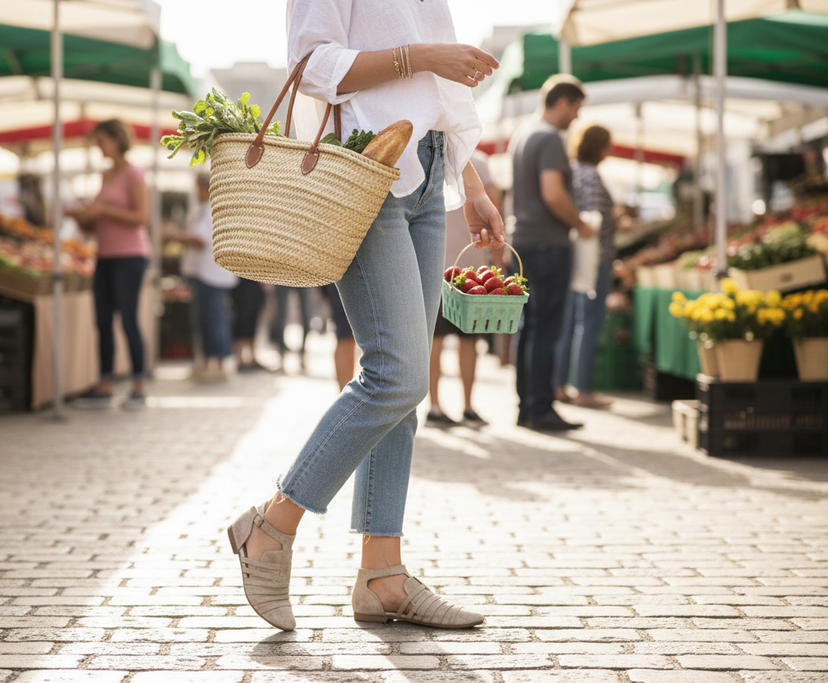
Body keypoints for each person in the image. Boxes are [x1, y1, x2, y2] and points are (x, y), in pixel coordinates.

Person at [227, 0, 505, 632]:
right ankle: (270, 526)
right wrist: (423, 55)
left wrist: (475, 186)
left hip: (430, 173)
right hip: (361, 170)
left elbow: (442, 96)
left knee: (407, 389)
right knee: (397, 375)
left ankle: (383, 575)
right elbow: (312, 65)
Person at [509, 74, 591, 431]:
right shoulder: (550, 139)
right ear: (562, 102)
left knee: (528, 327)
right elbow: (553, 193)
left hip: (523, 243)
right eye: (576, 108)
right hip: (547, 243)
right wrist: (580, 223)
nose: (576, 117)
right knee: (545, 329)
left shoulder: (522, 135)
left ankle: (527, 406)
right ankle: (541, 407)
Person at [65, 119, 151, 410]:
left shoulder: (133, 174)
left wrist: (104, 209)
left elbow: (141, 217)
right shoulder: (106, 175)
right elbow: (97, 222)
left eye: (101, 140)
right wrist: (84, 217)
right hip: (105, 255)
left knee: (128, 320)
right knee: (102, 321)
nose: (98, 146)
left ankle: (138, 383)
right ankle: (105, 383)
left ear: (116, 139)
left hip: (130, 256)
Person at [427, 150, 500, 428]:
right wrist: (496, 257)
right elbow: (496, 207)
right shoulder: (479, 162)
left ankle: (436, 406)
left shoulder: (435, 153)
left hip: (440, 261)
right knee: (468, 340)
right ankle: (465, 406)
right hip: (471, 265)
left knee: (438, 340)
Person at [554, 125, 617, 409]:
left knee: (569, 321)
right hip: (594, 257)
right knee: (589, 322)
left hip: (574, 255)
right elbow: (591, 217)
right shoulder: (590, 175)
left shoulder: (573, 170)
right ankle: (583, 388)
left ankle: (559, 385)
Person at [168, 173, 237, 381]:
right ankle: (208, 360)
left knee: (214, 319)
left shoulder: (213, 210)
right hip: (203, 273)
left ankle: (218, 362)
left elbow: (201, 240)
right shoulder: (203, 209)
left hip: (212, 274)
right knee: (205, 319)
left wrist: (176, 236)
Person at [269, 286, 314, 373]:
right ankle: (282, 357)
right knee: (281, 314)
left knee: (304, 314)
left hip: (301, 275)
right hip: (286, 276)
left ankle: (301, 356)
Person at [230, 278, 267, 371]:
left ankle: (253, 356)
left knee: (252, 320)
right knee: (241, 319)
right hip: (241, 283)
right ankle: (240, 358)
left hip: (256, 283)